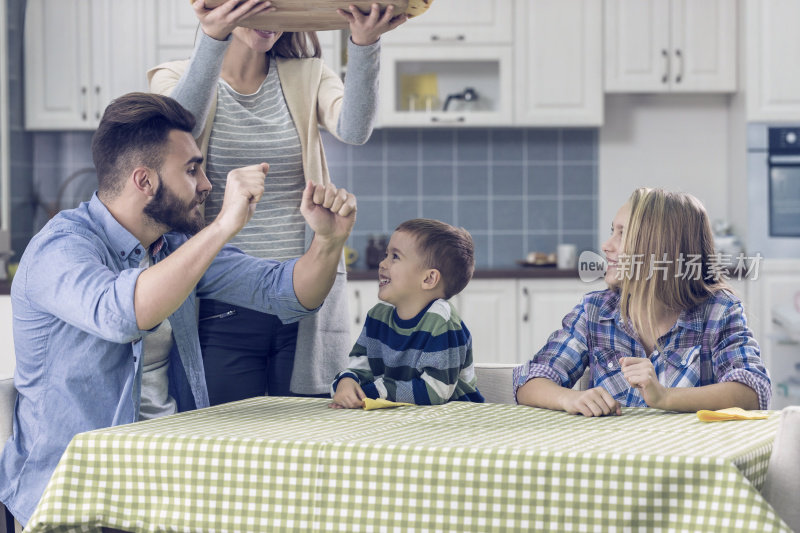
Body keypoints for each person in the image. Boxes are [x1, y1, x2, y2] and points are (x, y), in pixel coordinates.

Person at [0, 92, 357, 525]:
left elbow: (288, 293)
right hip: (71, 495)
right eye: (192, 169)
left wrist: (328, 241)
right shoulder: (61, 247)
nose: (206, 183)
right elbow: (122, 314)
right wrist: (224, 225)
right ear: (144, 181)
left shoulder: (172, 247)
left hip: (163, 481)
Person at [147, 0, 405, 402]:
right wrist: (213, 37)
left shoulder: (308, 75)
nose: (270, 18)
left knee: (307, 437)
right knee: (226, 438)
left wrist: (365, 43)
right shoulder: (176, 76)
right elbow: (177, 128)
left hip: (303, 296)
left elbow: (353, 130)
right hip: (220, 299)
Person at [514, 187, 771, 417]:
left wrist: (665, 397)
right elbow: (529, 381)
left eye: (622, 234)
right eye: (611, 231)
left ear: (659, 248)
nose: (606, 246)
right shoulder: (595, 311)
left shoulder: (718, 312)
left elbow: (752, 391)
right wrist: (569, 398)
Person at [330, 219, 485, 408]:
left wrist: (368, 392)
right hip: (400, 417)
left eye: (395, 257)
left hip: (455, 422)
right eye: (386, 254)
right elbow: (360, 366)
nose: (382, 264)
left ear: (429, 278)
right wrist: (347, 383)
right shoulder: (377, 317)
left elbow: (435, 391)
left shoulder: (441, 322)